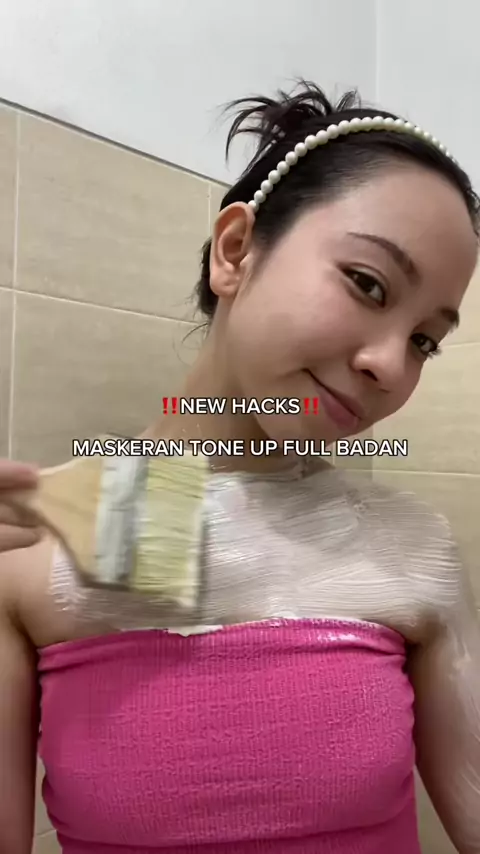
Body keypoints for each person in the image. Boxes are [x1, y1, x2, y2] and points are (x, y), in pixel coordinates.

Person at [1, 79, 480, 854]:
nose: (391, 365)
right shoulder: (29, 545)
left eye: (425, 339)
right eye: (367, 284)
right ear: (234, 251)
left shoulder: (413, 551)